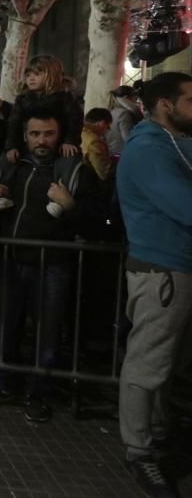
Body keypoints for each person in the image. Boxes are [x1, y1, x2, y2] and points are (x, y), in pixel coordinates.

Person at [0, 112, 101, 422]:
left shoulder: (75, 170)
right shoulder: (11, 165)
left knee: (47, 332)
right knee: (6, 326)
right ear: (25, 136)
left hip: (52, 264)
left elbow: (95, 220)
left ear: (59, 135)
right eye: (35, 133)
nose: (42, 140)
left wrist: (70, 205)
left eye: (48, 133)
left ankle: (38, 392)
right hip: (12, 259)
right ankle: (3, 385)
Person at [116, 72, 192, 498]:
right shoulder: (148, 149)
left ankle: (157, 437)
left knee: (167, 365)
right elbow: (186, 206)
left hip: (175, 270)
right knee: (148, 367)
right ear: (166, 105)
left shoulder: (173, 143)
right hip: (162, 272)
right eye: (191, 100)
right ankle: (140, 451)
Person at [0, 55, 83, 211]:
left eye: (37, 74)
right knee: (7, 158)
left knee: (69, 161)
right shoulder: (23, 99)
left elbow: (75, 120)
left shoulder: (65, 99)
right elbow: (14, 122)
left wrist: (70, 141)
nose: (31, 78)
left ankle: (60, 198)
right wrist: (12, 146)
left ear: (51, 76)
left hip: (59, 146)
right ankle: (3, 194)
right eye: (28, 75)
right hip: (27, 147)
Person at [80, 107, 114, 182]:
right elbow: (105, 173)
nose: (107, 130)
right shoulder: (95, 142)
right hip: (92, 182)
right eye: (108, 127)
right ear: (102, 123)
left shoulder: (80, 131)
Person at [108, 85, 142, 156]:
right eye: (135, 99)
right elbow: (128, 138)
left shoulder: (112, 111)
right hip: (121, 154)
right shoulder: (124, 114)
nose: (136, 102)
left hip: (112, 152)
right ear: (126, 98)